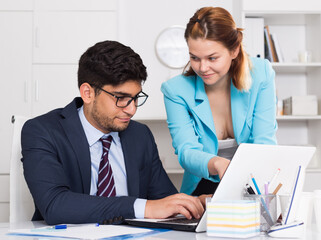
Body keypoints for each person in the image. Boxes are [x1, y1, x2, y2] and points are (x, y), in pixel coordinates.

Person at [21, 40, 204, 225]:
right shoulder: (42, 131)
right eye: (121, 98)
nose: (132, 109)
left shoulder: (140, 135)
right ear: (87, 93)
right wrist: (142, 207)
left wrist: (194, 204)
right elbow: (55, 205)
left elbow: (165, 201)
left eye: (135, 98)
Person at [161, 7, 277, 196]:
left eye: (212, 58)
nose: (203, 67)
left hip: (253, 180)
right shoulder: (175, 90)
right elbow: (186, 151)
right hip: (203, 185)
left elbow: (264, 141)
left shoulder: (261, 74)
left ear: (234, 50)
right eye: (194, 58)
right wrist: (217, 163)